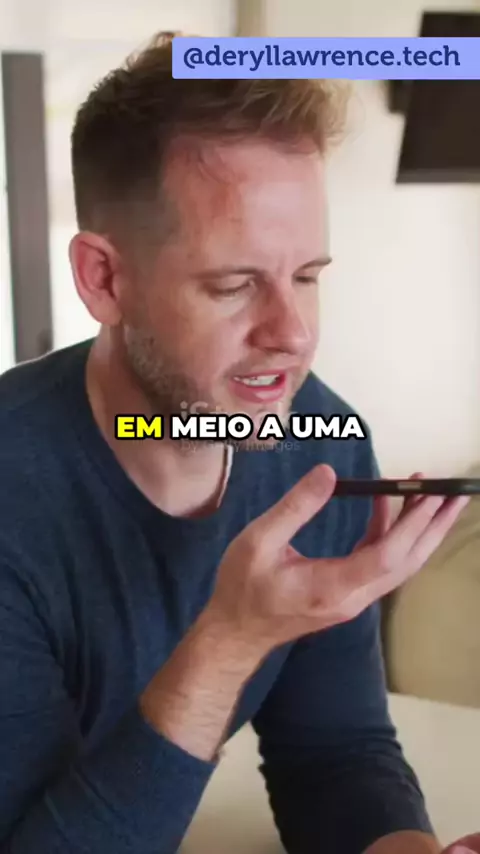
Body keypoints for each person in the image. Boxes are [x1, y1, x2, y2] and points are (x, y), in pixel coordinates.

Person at [0, 31, 477, 854]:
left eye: (308, 276)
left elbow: (334, 755)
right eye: (234, 284)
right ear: (104, 279)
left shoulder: (322, 447)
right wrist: (231, 640)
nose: (293, 334)